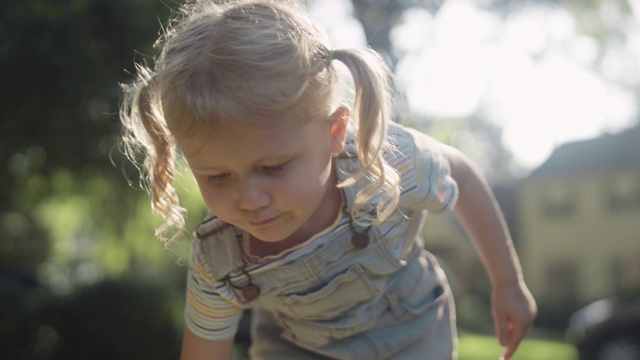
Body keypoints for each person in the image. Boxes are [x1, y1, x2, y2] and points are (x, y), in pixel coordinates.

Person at [119, 0, 537, 359]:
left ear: (335, 132)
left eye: (273, 167)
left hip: (411, 332)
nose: (249, 198)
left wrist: (507, 283)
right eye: (217, 175)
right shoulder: (221, 261)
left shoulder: (386, 163)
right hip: (297, 350)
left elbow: (460, 173)